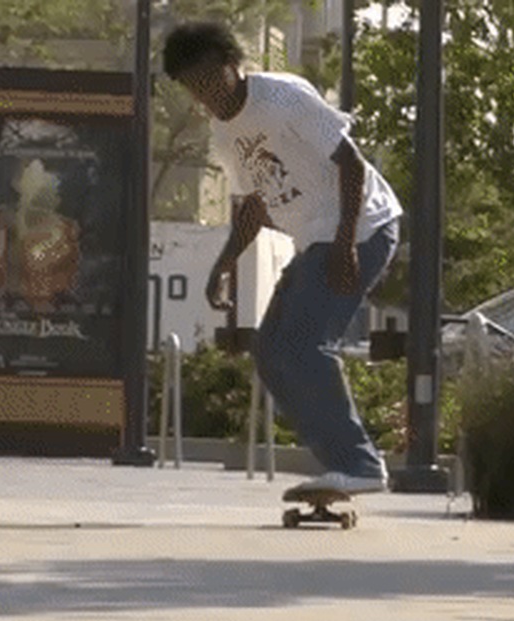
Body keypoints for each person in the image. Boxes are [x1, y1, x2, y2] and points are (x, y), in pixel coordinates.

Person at [163, 22, 403, 494]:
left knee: (304, 344)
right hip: (316, 240)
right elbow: (254, 203)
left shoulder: (282, 99)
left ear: (234, 65)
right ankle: (342, 464)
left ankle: (358, 465)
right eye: (196, 87)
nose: (209, 94)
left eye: (213, 79)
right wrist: (225, 261)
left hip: (364, 228)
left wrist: (346, 242)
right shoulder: (224, 133)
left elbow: (351, 164)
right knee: (270, 352)